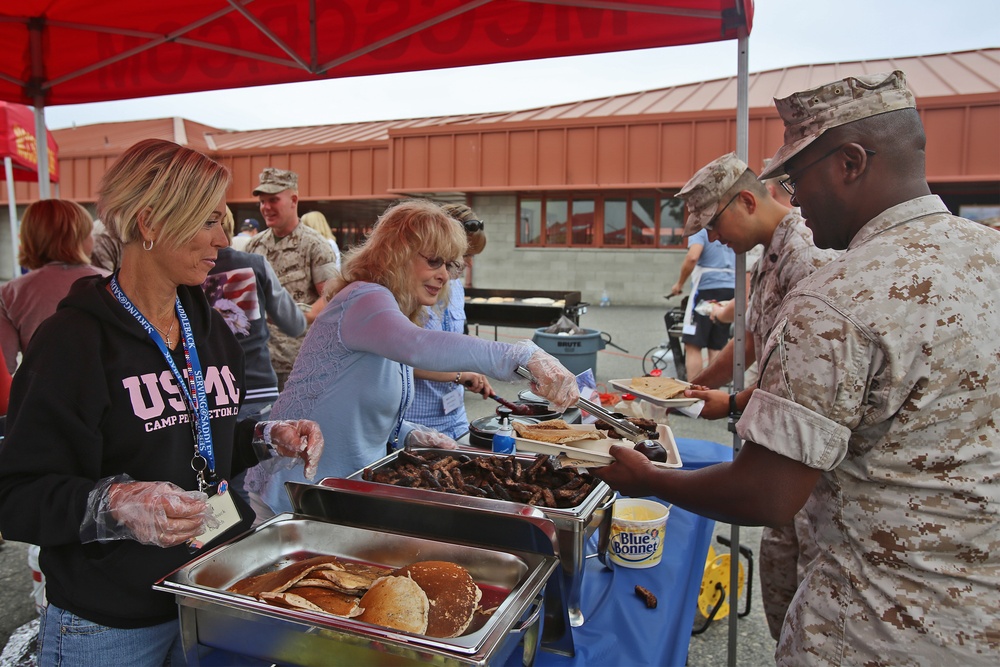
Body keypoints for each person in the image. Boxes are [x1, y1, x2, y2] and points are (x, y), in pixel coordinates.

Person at [594, 71, 1000, 665]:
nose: (794, 196)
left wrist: (647, 480)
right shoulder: (987, 253)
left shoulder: (839, 293)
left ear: (851, 162)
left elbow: (768, 494)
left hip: (875, 628)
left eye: (794, 176)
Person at [0, 138, 324, 666]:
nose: (222, 237)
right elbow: (17, 495)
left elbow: (191, 441)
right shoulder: (73, 341)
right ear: (149, 223)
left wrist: (262, 437)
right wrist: (115, 505)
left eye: (222, 220)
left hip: (207, 593)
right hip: (109, 621)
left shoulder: (210, 328)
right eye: (206, 221)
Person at [245, 199, 580, 519]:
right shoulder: (364, 298)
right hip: (293, 495)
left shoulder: (387, 309)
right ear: (396, 254)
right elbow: (419, 345)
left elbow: (349, 404)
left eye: (447, 265)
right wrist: (519, 354)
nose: (444, 275)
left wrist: (407, 433)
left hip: (333, 493)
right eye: (434, 261)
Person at [676, 152, 840, 641]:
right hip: (780, 452)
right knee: (781, 583)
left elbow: (802, 374)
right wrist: (701, 381)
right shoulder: (771, 253)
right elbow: (751, 340)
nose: (714, 239)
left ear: (747, 200)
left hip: (806, 464)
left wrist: (731, 403)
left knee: (810, 608)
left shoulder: (808, 256)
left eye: (714, 224)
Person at [204, 207, 306, 420]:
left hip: (209, 391)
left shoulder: (187, 273)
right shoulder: (255, 264)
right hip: (258, 385)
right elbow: (295, 324)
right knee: (261, 450)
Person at [404, 203, 494, 439]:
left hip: (455, 419)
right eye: (465, 255)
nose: (469, 263)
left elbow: (453, 339)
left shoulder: (455, 287)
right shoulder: (408, 292)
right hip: (416, 422)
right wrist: (459, 375)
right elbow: (405, 359)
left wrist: (475, 363)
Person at [246, 168, 339, 390]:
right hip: (257, 362)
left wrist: (294, 318)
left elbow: (331, 297)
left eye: (273, 200)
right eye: (262, 201)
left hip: (297, 365)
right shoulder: (254, 246)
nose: (266, 207)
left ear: (293, 200)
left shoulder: (315, 246)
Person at [0, 199, 110, 374]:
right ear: (78, 238)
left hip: (42, 391)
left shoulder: (10, 293)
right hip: (105, 389)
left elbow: (5, 367)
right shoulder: (110, 282)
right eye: (89, 233)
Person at [669, 212, 735, 380]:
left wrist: (679, 284)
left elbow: (692, 257)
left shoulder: (701, 228)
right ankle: (713, 393)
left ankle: (695, 393)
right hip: (730, 290)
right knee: (716, 345)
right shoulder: (729, 227)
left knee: (693, 343)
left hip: (706, 290)